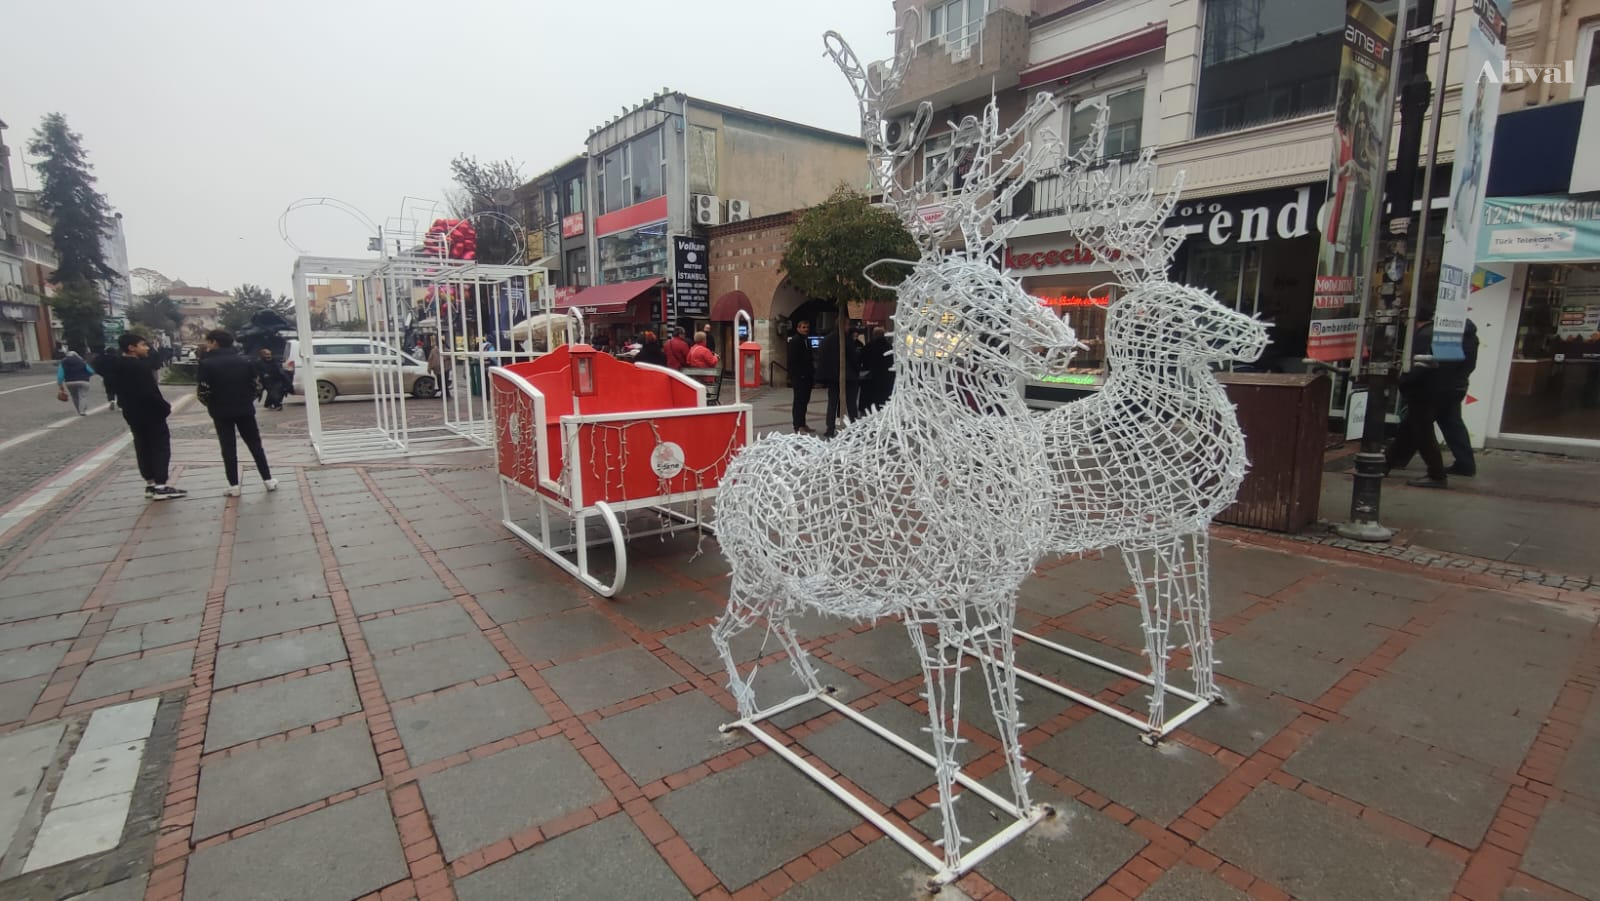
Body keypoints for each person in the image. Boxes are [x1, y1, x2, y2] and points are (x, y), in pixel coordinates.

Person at [198, 330, 276, 498]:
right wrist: (248, 400)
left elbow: (203, 391)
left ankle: (234, 485)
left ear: (214, 342)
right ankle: (268, 480)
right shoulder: (245, 361)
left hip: (220, 411)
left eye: (208, 342)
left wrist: (212, 404)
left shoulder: (206, 364)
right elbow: (257, 385)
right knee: (255, 445)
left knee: (228, 448)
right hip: (245, 409)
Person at [111, 334, 185, 500]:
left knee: (142, 446)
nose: (147, 348)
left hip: (132, 412)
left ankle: (150, 483)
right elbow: (150, 392)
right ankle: (161, 485)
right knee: (159, 447)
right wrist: (165, 407)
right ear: (131, 347)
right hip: (150, 413)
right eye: (143, 345)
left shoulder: (117, 365)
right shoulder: (139, 367)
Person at [1386, 312, 1450, 489]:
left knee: (1423, 433)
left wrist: (1403, 382)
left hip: (1422, 391)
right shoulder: (1436, 333)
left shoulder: (1424, 336)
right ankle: (1386, 463)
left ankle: (1437, 475)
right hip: (1432, 390)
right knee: (1409, 430)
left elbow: (1421, 366)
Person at [1435, 318, 1479, 477]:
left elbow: (1445, 363)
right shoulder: (1471, 337)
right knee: (1453, 424)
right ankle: (1465, 463)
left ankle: (1438, 471)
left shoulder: (1453, 336)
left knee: (1419, 422)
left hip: (1446, 385)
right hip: (1458, 384)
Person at [817, 324, 860, 438]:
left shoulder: (826, 340)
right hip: (848, 376)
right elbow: (853, 357)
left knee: (832, 403)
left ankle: (830, 428)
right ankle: (854, 426)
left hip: (832, 377)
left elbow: (821, 357)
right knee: (851, 403)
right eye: (847, 324)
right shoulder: (846, 339)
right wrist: (856, 371)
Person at [788, 321, 816, 434]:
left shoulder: (807, 341)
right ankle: (797, 425)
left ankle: (803, 423)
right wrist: (797, 375)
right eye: (803, 327)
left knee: (805, 401)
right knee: (799, 401)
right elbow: (792, 361)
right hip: (799, 377)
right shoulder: (795, 341)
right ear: (798, 328)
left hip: (807, 377)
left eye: (807, 327)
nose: (806, 329)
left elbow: (809, 358)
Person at [859, 326, 895, 413]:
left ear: (873, 335)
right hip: (886, 379)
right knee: (884, 400)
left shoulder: (868, 347)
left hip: (871, 379)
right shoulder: (889, 347)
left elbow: (861, 360)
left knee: (871, 403)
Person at [56, 350, 96, 415]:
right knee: (82, 396)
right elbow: (91, 371)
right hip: (83, 381)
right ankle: (82, 410)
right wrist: (86, 376)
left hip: (70, 382)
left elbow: (60, 374)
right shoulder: (82, 361)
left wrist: (60, 383)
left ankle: (78, 410)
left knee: (74, 396)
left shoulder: (63, 362)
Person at [91, 345, 119, 410]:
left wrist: (102, 374)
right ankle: (120, 404)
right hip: (117, 376)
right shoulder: (118, 358)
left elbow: (97, 367)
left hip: (107, 376)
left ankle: (111, 401)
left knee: (109, 390)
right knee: (119, 391)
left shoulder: (102, 359)